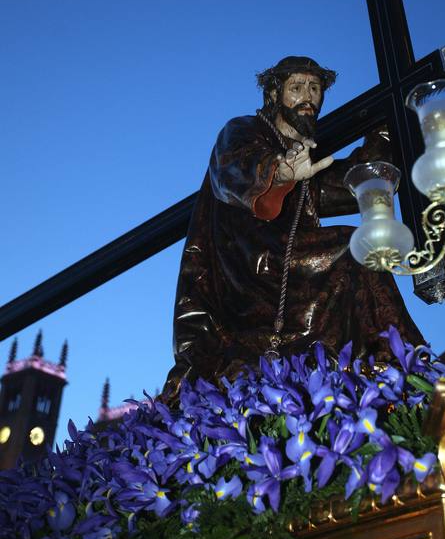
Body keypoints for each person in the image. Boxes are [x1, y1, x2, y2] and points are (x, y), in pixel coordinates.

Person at [163, 56, 424, 398]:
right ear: (273, 93)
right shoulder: (242, 130)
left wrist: (391, 120)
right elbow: (234, 170)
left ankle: (378, 372)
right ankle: (405, 365)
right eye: (297, 87)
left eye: (315, 88)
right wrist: (280, 172)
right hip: (244, 267)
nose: (308, 97)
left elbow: (357, 183)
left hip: (289, 269)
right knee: (352, 247)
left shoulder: (307, 157)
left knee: (360, 252)